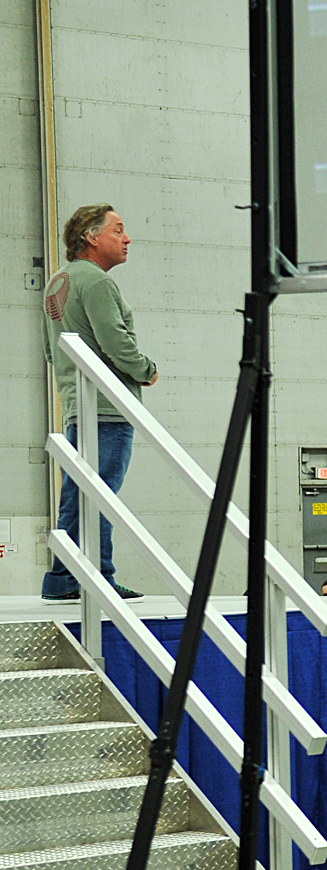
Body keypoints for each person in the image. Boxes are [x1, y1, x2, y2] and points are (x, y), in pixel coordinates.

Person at [41, 205, 157, 601]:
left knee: (78, 494)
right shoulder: (98, 283)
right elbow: (115, 342)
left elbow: (51, 350)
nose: (127, 238)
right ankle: (99, 577)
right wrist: (145, 370)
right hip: (107, 408)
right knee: (101, 495)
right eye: (117, 230)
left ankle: (63, 578)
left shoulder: (58, 282)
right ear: (91, 237)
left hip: (79, 405)